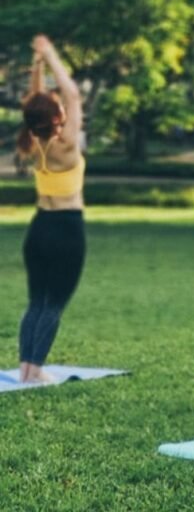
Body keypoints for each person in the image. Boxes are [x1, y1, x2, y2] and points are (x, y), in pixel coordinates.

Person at [15, 35, 86, 383]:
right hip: (67, 229)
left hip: (39, 229)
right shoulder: (67, 144)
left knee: (37, 302)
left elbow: (33, 104)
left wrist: (38, 66)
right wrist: (50, 53)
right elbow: (71, 93)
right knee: (53, 304)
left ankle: (26, 368)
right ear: (56, 116)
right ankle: (35, 371)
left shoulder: (34, 141)